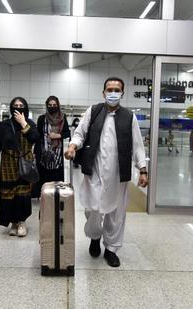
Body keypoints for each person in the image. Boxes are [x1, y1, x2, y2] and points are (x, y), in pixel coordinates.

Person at [65, 77, 149, 267]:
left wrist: (142, 169)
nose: (113, 93)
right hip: (94, 171)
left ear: (122, 93)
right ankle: (95, 237)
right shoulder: (94, 111)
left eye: (116, 89)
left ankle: (111, 249)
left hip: (118, 175)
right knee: (92, 209)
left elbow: (137, 146)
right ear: (103, 92)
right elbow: (80, 133)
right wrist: (72, 146)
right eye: (109, 89)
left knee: (116, 214)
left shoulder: (129, 117)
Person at [0, 97, 39, 237]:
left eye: (21, 105)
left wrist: (24, 124)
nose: (18, 107)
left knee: (22, 195)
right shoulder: (4, 125)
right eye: (15, 105)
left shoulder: (30, 123)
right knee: (8, 194)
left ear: (25, 108)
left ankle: (22, 222)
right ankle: (13, 223)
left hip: (25, 164)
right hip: (8, 164)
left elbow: (35, 138)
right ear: (11, 108)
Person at [33, 96, 71, 198]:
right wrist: (35, 152)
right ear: (47, 106)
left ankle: (55, 196)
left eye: (54, 105)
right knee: (43, 176)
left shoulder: (63, 118)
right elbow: (38, 136)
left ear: (58, 105)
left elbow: (67, 133)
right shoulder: (42, 119)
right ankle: (44, 196)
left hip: (57, 155)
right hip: (43, 154)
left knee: (56, 179)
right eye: (50, 105)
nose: (52, 107)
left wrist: (57, 135)